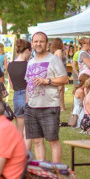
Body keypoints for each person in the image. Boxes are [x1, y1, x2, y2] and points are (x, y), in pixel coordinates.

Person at [24, 32, 68, 163]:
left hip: (49, 106)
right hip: (32, 107)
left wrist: (46, 81)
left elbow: (65, 79)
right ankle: (42, 169)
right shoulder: (30, 62)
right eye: (36, 41)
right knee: (37, 141)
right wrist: (27, 102)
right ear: (32, 44)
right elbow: (28, 83)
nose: (38, 44)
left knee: (52, 140)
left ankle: (56, 171)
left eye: (41, 41)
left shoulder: (53, 59)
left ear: (47, 44)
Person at [7, 39, 31, 149]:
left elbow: (11, 84)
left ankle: (19, 156)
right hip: (28, 96)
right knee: (28, 132)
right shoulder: (29, 64)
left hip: (16, 96)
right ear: (27, 50)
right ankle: (27, 157)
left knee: (19, 131)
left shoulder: (10, 65)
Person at [50, 38, 67, 111]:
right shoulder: (59, 51)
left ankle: (62, 106)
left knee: (60, 90)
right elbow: (58, 63)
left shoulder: (54, 52)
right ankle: (61, 107)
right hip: (59, 73)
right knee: (61, 90)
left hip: (57, 73)